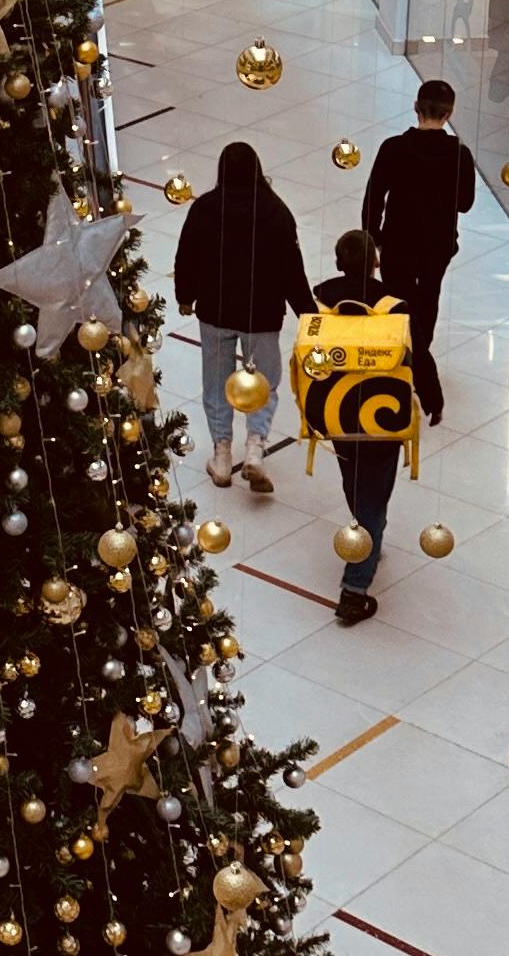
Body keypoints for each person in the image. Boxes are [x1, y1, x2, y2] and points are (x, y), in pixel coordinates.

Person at [172, 138, 314, 495]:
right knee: (263, 383)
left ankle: (222, 455)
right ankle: (255, 447)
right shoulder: (275, 211)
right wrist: (309, 314)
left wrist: (185, 296)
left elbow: (186, 255)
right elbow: (291, 269)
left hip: (216, 312)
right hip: (262, 316)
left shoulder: (204, 208)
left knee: (216, 382)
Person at [363, 76, 479, 429]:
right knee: (426, 302)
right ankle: (420, 363)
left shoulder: (393, 148)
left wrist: (373, 240)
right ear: (449, 113)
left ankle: (406, 366)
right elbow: (465, 203)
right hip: (436, 248)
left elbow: (374, 199)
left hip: (397, 244)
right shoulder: (459, 155)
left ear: (417, 107)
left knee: (397, 304)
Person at [313, 228, 408, 625]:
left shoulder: (319, 297)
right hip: (382, 416)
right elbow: (416, 354)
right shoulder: (394, 304)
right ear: (376, 262)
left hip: (336, 415)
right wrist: (434, 400)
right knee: (375, 495)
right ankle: (354, 589)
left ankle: (369, 538)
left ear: (338, 262)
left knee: (355, 481)